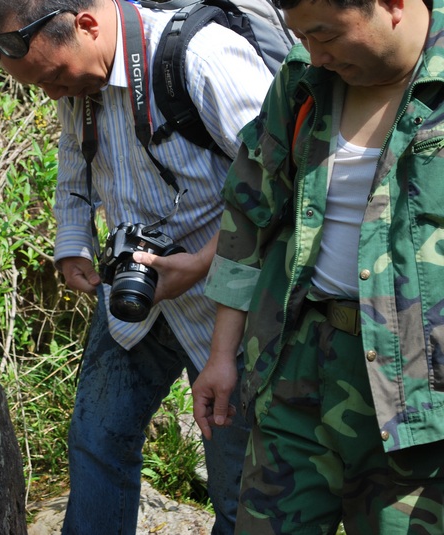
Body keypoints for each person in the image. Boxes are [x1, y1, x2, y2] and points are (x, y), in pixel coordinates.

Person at [0, 0, 277, 533]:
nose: (53, 95)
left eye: (54, 79)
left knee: (237, 485)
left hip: (228, 309)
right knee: (97, 442)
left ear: (87, 25)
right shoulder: (78, 80)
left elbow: (281, 181)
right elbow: (74, 155)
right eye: (40, 87)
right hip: (134, 299)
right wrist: (73, 241)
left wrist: (202, 262)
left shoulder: (201, 59)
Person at [192, 0, 444, 532]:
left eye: (325, 35)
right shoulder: (303, 78)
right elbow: (251, 210)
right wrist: (221, 355)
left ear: (392, 5)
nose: (315, 53)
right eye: (301, 35)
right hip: (298, 360)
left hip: (422, 389)